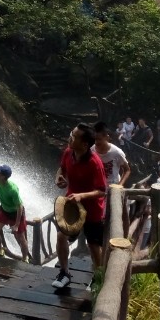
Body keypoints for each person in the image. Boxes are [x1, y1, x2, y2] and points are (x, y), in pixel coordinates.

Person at [52, 123, 108, 289]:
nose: (70, 138)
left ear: (84, 144)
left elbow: (101, 191)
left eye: (74, 136)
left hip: (92, 210)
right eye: (72, 133)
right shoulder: (68, 152)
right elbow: (61, 169)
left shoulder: (94, 163)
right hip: (72, 206)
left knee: (93, 245)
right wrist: (59, 178)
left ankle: (98, 278)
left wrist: (81, 195)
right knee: (61, 236)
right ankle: (64, 272)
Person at [93, 121, 131, 187]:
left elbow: (127, 170)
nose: (96, 142)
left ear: (107, 138)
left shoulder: (116, 152)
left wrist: (119, 185)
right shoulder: (91, 150)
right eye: (95, 139)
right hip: (97, 187)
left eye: (99, 139)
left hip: (113, 187)